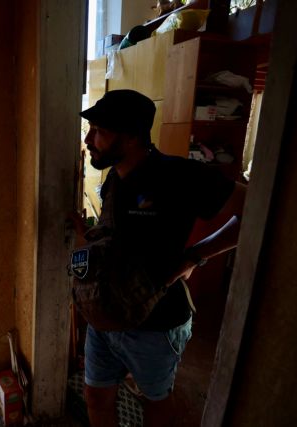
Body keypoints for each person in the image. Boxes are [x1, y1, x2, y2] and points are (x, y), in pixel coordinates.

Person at [75, 90, 246, 426]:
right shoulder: (114, 179)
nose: (89, 140)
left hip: (155, 324)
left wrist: (196, 255)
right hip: (105, 319)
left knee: (155, 403)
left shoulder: (180, 175)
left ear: (132, 136)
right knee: (95, 396)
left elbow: (253, 207)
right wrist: (88, 236)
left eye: (100, 131)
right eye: (91, 129)